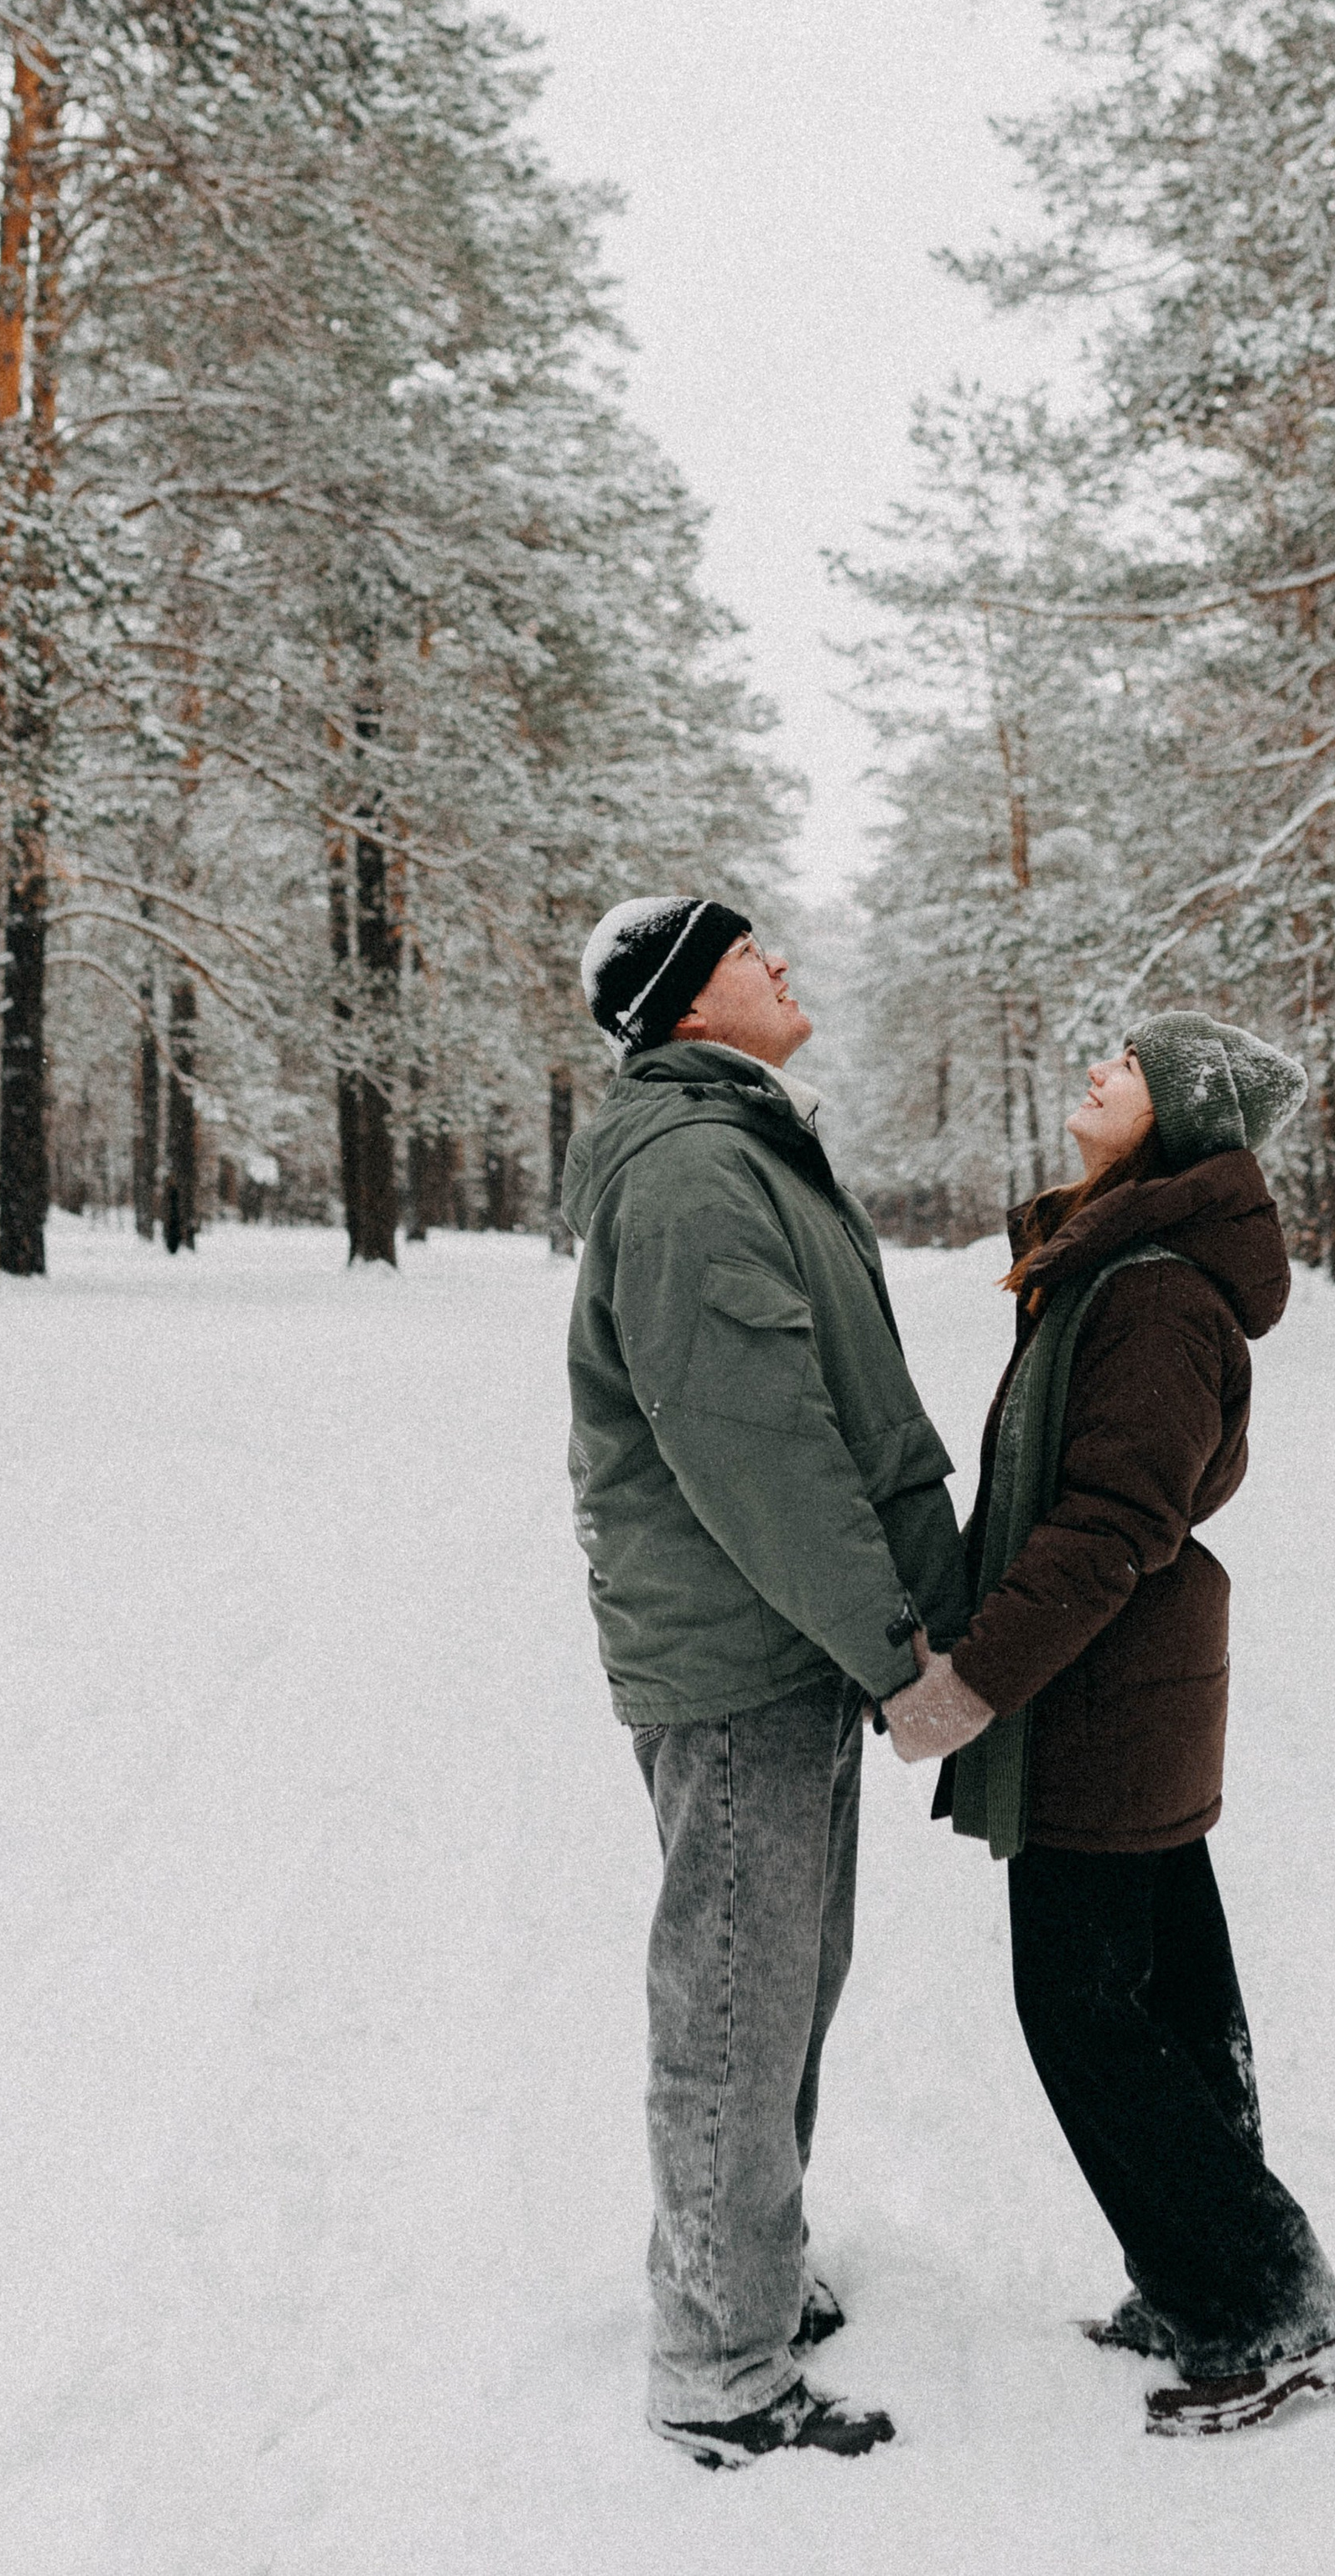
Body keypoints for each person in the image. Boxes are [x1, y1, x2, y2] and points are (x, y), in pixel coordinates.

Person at [881, 1009, 1335, 2438]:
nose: (1100, 1069)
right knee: (1168, 1999)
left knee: (1086, 2013)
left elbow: (1109, 1527)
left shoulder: (1150, 1291)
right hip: (1128, 1687)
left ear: (1176, 1121)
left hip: (1103, 1695)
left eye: (1131, 1066)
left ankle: (1271, 2315)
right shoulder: (1118, 1265)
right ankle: (1201, 2276)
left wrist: (968, 1682)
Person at [562, 894, 968, 2469]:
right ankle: (721, 2365)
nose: (784, 964)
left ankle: (751, 2280)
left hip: (780, 1648)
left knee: (780, 1982)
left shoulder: (744, 1151)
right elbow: (760, 1450)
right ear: (685, 1007)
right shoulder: (691, 1175)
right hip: (745, 1655)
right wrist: (894, 1653)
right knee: (735, 2002)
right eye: (749, 956)